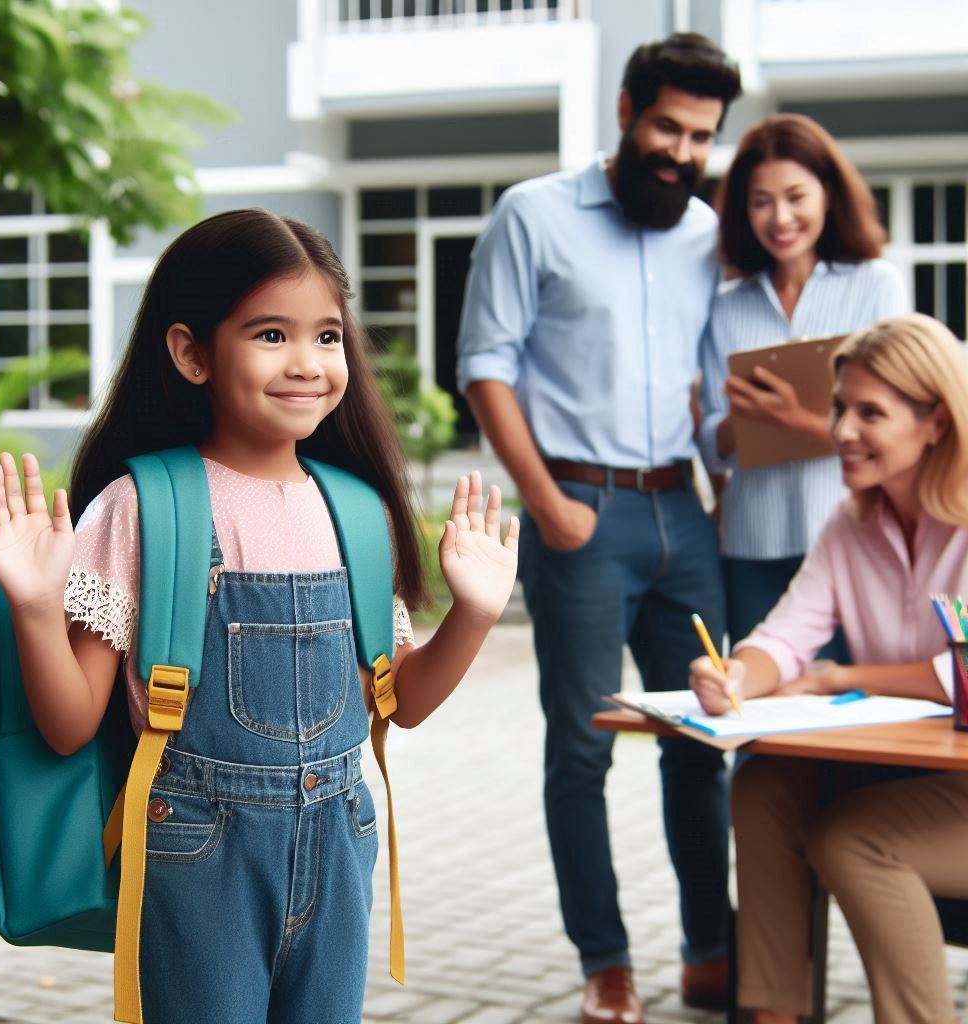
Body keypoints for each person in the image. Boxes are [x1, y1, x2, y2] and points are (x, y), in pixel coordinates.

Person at [0, 209, 520, 1024]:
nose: (308, 363)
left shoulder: (356, 511)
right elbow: (70, 725)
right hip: (193, 856)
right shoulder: (142, 508)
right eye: (270, 334)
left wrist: (474, 615)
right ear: (190, 353)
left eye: (327, 336)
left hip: (340, 844)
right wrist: (40, 608)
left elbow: (396, 704)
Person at [456, 32, 742, 1023]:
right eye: (667, 125)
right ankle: (605, 960)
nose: (680, 149)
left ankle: (710, 951)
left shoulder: (706, 232)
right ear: (624, 112)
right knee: (580, 744)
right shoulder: (531, 215)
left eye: (700, 135)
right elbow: (484, 366)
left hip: (683, 513)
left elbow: (709, 381)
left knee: (701, 738)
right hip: (580, 511)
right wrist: (546, 504)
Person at [690, 313, 968, 1024]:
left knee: (855, 841)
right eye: (841, 406)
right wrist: (734, 678)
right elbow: (786, 636)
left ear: (936, 422)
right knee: (762, 786)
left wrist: (843, 678)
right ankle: (773, 1015)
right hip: (912, 773)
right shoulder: (850, 524)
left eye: (869, 413)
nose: (840, 430)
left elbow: (960, 675)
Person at [699, 113, 908, 649]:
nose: (781, 217)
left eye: (796, 196)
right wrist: (736, 424)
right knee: (758, 707)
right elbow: (714, 449)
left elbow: (898, 430)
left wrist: (792, 418)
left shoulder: (875, 287)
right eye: (761, 202)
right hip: (753, 545)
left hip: (856, 537)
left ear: (828, 194)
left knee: (851, 711)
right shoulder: (725, 308)